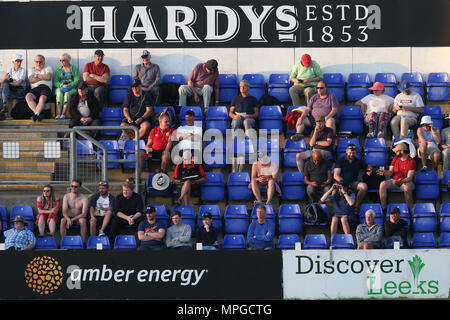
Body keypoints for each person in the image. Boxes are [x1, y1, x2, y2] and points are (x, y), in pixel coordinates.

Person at [379, 142, 416, 213]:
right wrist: (384, 172)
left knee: (407, 186)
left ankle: (410, 209)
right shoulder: (395, 159)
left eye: (397, 151)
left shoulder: (411, 161)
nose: (395, 153)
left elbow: (409, 178)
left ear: (402, 151)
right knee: (383, 184)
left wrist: (401, 181)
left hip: (406, 182)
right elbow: (390, 172)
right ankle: (383, 209)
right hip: (395, 181)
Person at [333, 143, 368, 211]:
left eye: (353, 153)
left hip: (353, 183)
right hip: (342, 182)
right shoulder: (340, 160)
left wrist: (369, 170)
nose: (351, 155)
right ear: (346, 151)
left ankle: (356, 206)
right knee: (335, 189)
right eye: (350, 153)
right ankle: (337, 209)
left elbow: (368, 166)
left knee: (364, 186)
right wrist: (343, 183)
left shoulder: (358, 161)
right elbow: (336, 175)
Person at [25, 54, 53, 122]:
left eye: (40, 61)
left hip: (46, 87)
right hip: (35, 88)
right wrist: (43, 77)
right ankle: (37, 113)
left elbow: (48, 77)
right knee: (28, 96)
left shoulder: (48, 68)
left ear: (44, 62)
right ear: (34, 62)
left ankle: (36, 114)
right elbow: (31, 80)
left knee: (42, 97)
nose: (38, 63)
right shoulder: (31, 69)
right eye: (37, 61)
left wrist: (37, 76)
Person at [60, 179, 88, 244]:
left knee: (83, 221)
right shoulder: (66, 196)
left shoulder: (84, 198)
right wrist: (68, 219)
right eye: (72, 186)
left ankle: (83, 243)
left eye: (75, 187)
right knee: (62, 221)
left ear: (80, 187)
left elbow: (84, 214)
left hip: (78, 218)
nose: (73, 188)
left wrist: (72, 220)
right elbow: (64, 211)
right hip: (68, 217)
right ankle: (63, 242)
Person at [54, 53, 80, 119]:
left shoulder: (73, 68)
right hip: (61, 87)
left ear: (68, 60)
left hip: (72, 87)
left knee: (67, 94)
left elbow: (77, 80)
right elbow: (55, 82)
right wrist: (61, 85)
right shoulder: (59, 70)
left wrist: (69, 85)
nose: (61, 62)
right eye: (60, 60)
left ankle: (63, 113)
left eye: (63, 60)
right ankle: (59, 113)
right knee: (59, 93)